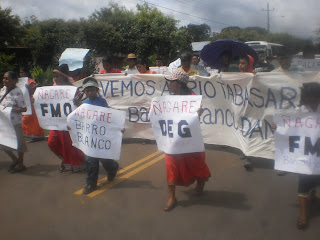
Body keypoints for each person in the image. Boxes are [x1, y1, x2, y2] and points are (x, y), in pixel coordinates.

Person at [272, 82, 320, 229]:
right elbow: (289, 129)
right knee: (303, 184)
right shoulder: (299, 112)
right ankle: (303, 216)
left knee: (315, 178)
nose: (312, 101)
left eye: (316, 97)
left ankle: (312, 192)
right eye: (310, 97)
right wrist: (278, 127)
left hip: (317, 155)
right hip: (305, 158)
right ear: (305, 98)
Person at [161, 70, 211, 211]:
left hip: (190, 139)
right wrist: (153, 111)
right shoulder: (168, 100)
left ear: (180, 84)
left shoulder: (192, 98)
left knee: (195, 163)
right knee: (170, 164)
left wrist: (198, 113)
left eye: (173, 81)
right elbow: (163, 114)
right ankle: (172, 197)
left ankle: (201, 183)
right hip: (172, 140)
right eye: (170, 81)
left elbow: (195, 116)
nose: (170, 84)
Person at [73, 77, 123, 194]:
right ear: (85, 92)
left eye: (92, 90)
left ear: (96, 90)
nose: (90, 92)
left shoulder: (101, 101)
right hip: (89, 138)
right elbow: (78, 118)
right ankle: (91, 183)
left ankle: (113, 168)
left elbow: (107, 117)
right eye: (87, 90)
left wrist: (118, 127)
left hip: (101, 137)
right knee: (90, 160)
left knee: (105, 159)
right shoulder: (83, 103)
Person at [48, 65, 86, 174]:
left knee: (68, 145)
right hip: (56, 122)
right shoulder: (52, 89)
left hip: (69, 123)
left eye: (58, 76)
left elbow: (81, 106)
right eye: (54, 76)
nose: (55, 78)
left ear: (64, 77)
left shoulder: (73, 90)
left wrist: (77, 103)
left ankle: (76, 164)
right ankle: (65, 160)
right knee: (52, 142)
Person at [0, 71, 27, 173]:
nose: (4, 80)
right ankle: (14, 159)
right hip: (4, 122)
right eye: (4, 78)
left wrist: (10, 110)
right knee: (3, 142)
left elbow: (24, 109)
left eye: (7, 78)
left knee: (19, 143)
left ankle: (21, 163)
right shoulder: (2, 90)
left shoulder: (17, 92)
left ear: (14, 80)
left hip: (15, 122)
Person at [19, 66, 45, 142]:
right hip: (26, 103)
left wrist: (28, 88)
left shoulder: (31, 82)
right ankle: (37, 135)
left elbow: (35, 92)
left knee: (28, 119)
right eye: (20, 72)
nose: (20, 74)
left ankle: (36, 135)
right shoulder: (21, 82)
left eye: (22, 72)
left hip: (32, 102)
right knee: (31, 120)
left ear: (26, 73)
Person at [239, 55, 255, 170]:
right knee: (242, 130)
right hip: (240, 108)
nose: (241, 65)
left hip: (252, 109)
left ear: (249, 64)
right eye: (240, 63)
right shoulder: (237, 76)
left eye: (243, 63)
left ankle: (248, 157)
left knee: (250, 131)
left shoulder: (254, 77)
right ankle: (244, 150)